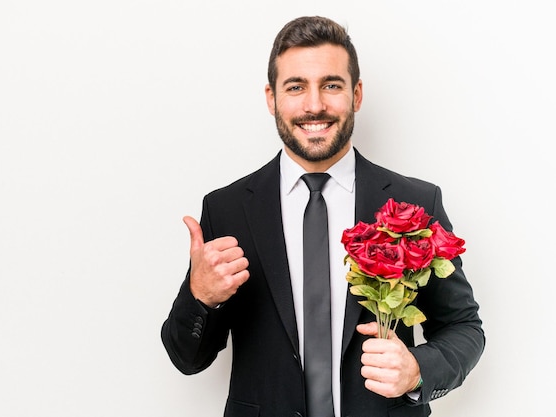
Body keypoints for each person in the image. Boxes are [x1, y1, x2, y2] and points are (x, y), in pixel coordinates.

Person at [161, 15, 485, 417]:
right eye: (295, 87)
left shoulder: (415, 205)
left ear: (357, 94)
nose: (314, 105)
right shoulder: (227, 209)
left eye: (331, 85)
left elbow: (464, 327)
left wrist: (418, 370)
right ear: (271, 98)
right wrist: (201, 297)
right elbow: (187, 358)